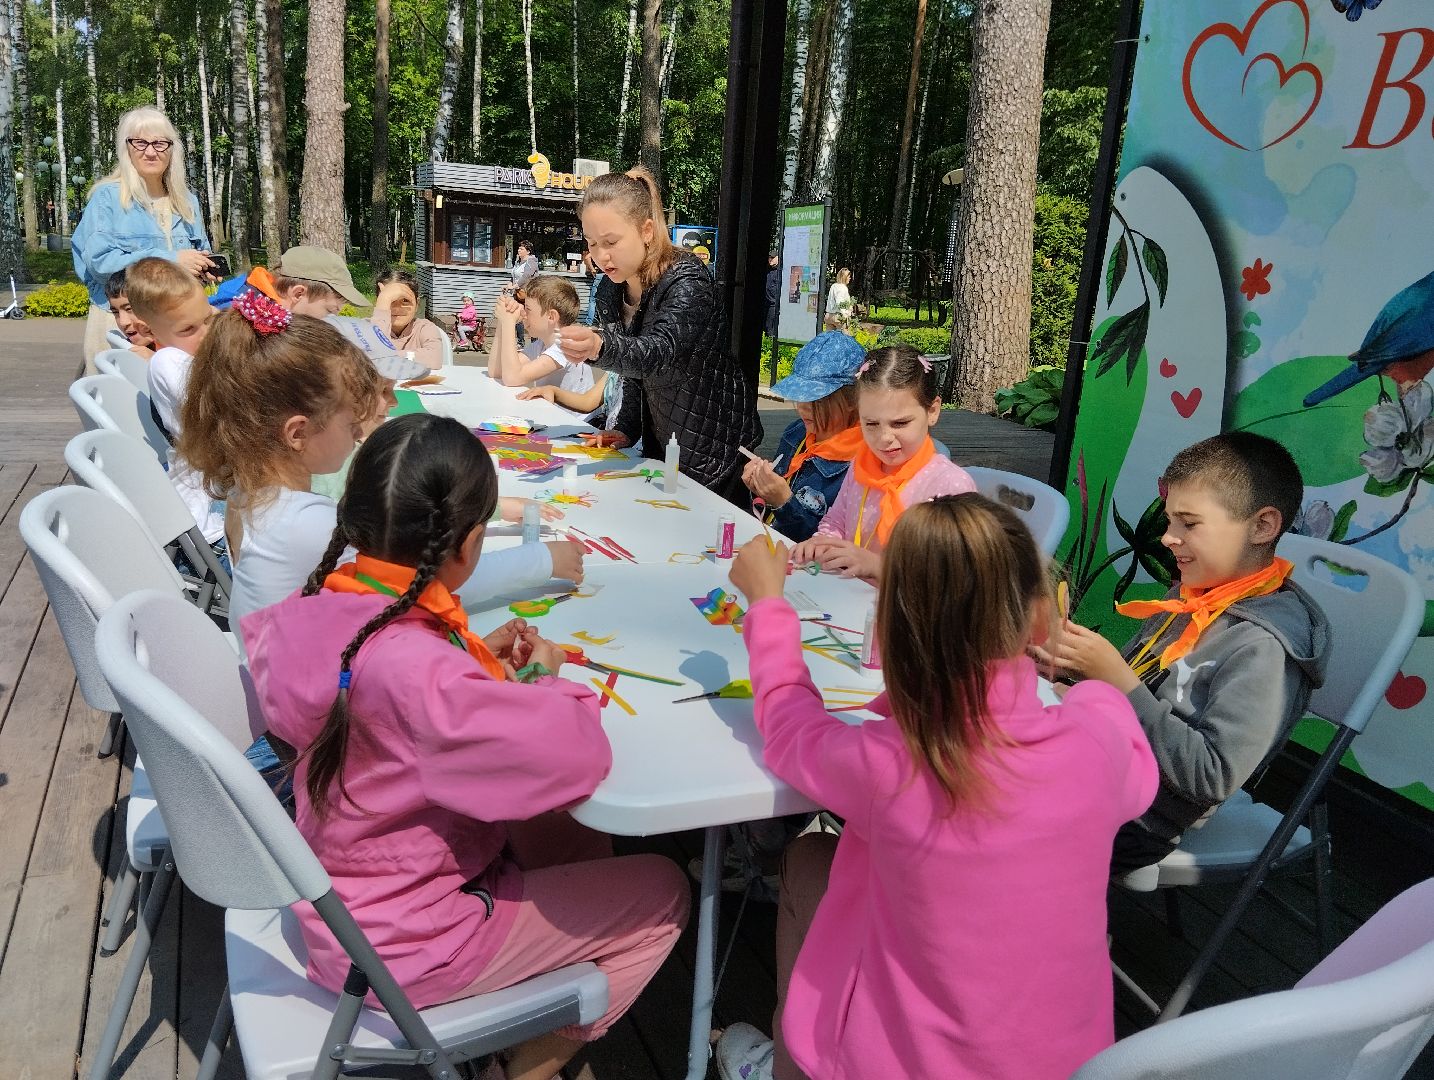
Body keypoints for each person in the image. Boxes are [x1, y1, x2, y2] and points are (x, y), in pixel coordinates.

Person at [243, 413, 690, 1080]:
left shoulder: (304, 621)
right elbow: (576, 755)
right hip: (410, 946)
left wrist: (481, 674)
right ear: (471, 543)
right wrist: (540, 678)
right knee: (663, 891)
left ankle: (545, 978)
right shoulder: (419, 673)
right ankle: (522, 1070)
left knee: (557, 827)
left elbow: (401, 725)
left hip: (342, 903)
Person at [716, 496, 1158, 1080]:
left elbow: (790, 726)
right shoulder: (1095, 739)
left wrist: (770, 606)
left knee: (806, 857)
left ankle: (790, 1066)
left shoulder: (888, 764)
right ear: (1041, 619)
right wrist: (1091, 693)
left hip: (894, 1065)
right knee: (821, 858)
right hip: (1068, 1063)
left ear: (890, 629)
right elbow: (1135, 767)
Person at [1034, 432, 1331, 875]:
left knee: (964, 814)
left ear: (1263, 526)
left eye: (1188, 524)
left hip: (1139, 817)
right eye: (1171, 521)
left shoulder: (1265, 646)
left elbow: (1212, 777)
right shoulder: (1196, 593)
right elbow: (1146, 683)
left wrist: (1118, 683)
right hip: (1094, 764)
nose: (1169, 538)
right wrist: (1072, 673)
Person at [178, 296, 383, 658]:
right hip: (293, 705)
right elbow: (416, 585)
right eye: (351, 424)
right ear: (297, 433)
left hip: (267, 675)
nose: (358, 435)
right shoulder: (306, 524)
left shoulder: (250, 488)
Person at [556, 167, 762, 500]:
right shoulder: (611, 289)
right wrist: (624, 429)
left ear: (646, 230)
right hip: (664, 445)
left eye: (611, 242)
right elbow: (632, 374)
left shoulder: (687, 279)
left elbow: (656, 353)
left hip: (716, 451)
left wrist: (600, 345)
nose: (600, 255)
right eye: (591, 243)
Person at [790, 344, 976, 580]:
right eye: (871, 424)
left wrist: (879, 566)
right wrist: (821, 544)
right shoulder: (862, 465)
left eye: (900, 423)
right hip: (850, 597)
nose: (884, 438)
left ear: (932, 411)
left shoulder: (951, 486)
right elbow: (836, 522)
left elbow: (955, 578)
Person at [72, 105, 214, 372]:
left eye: (160, 143)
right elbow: (100, 264)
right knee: (118, 407)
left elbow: (198, 252)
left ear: (172, 150)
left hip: (175, 327)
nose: (151, 151)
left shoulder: (187, 202)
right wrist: (172, 260)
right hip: (121, 325)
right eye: (141, 143)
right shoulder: (108, 198)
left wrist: (202, 267)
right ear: (126, 148)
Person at [125, 256, 225, 552]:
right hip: (213, 520)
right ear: (148, 331)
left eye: (208, 319)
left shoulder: (191, 355)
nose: (205, 333)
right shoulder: (169, 361)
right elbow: (225, 407)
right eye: (188, 329)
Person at [744, 332, 866, 543]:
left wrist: (784, 501)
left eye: (816, 398)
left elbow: (830, 542)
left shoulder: (864, 463)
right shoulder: (797, 433)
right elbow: (772, 518)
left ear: (852, 400)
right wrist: (761, 489)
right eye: (800, 395)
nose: (802, 406)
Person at [491, 277, 601, 409]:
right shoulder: (542, 344)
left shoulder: (565, 346)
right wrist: (502, 322)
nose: (523, 313)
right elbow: (496, 371)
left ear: (551, 317)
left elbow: (512, 378)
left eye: (528, 309)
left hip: (576, 425)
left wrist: (508, 321)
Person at [372, 268, 446, 369]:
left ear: (417, 304)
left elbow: (434, 359)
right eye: (390, 300)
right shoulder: (366, 327)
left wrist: (386, 356)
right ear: (379, 302)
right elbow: (368, 360)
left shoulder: (424, 328)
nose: (397, 308)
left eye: (405, 300)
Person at [104, 269, 157, 357]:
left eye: (130, 309)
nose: (123, 322)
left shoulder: (182, 350)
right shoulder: (126, 349)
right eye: (115, 312)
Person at [765, 251, 780, 340]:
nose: (770, 260)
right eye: (769, 258)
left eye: (772, 258)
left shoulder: (780, 272)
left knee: (770, 328)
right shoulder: (768, 270)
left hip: (774, 304)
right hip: (767, 303)